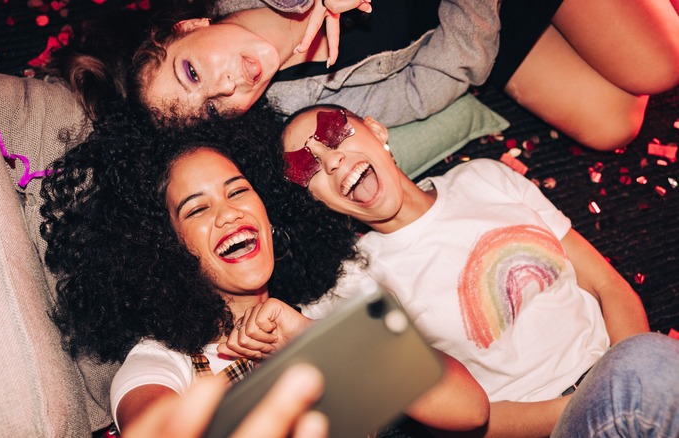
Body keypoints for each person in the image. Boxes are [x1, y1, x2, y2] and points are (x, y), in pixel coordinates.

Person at [220, 103, 679, 437]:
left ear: (377, 130)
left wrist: (628, 368)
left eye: (336, 134)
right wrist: (606, 393)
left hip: (637, 375)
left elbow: (607, 285)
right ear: (315, 200)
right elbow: (471, 417)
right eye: (308, 168)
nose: (333, 159)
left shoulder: (485, 176)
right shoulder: (353, 285)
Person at [39, 104, 489, 436]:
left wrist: (310, 338)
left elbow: (470, 409)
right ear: (165, 247)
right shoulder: (163, 361)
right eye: (197, 210)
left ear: (269, 214)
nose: (228, 214)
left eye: (237, 191)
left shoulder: (326, 308)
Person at [51, 0, 679, 151]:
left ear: (189, 27)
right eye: (213, 109)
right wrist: (473, 48)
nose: (227, 86)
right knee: (612, 123)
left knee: (659, 65)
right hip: (476, 18)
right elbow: (416, 88)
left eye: (193, 72)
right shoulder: (287, 99)